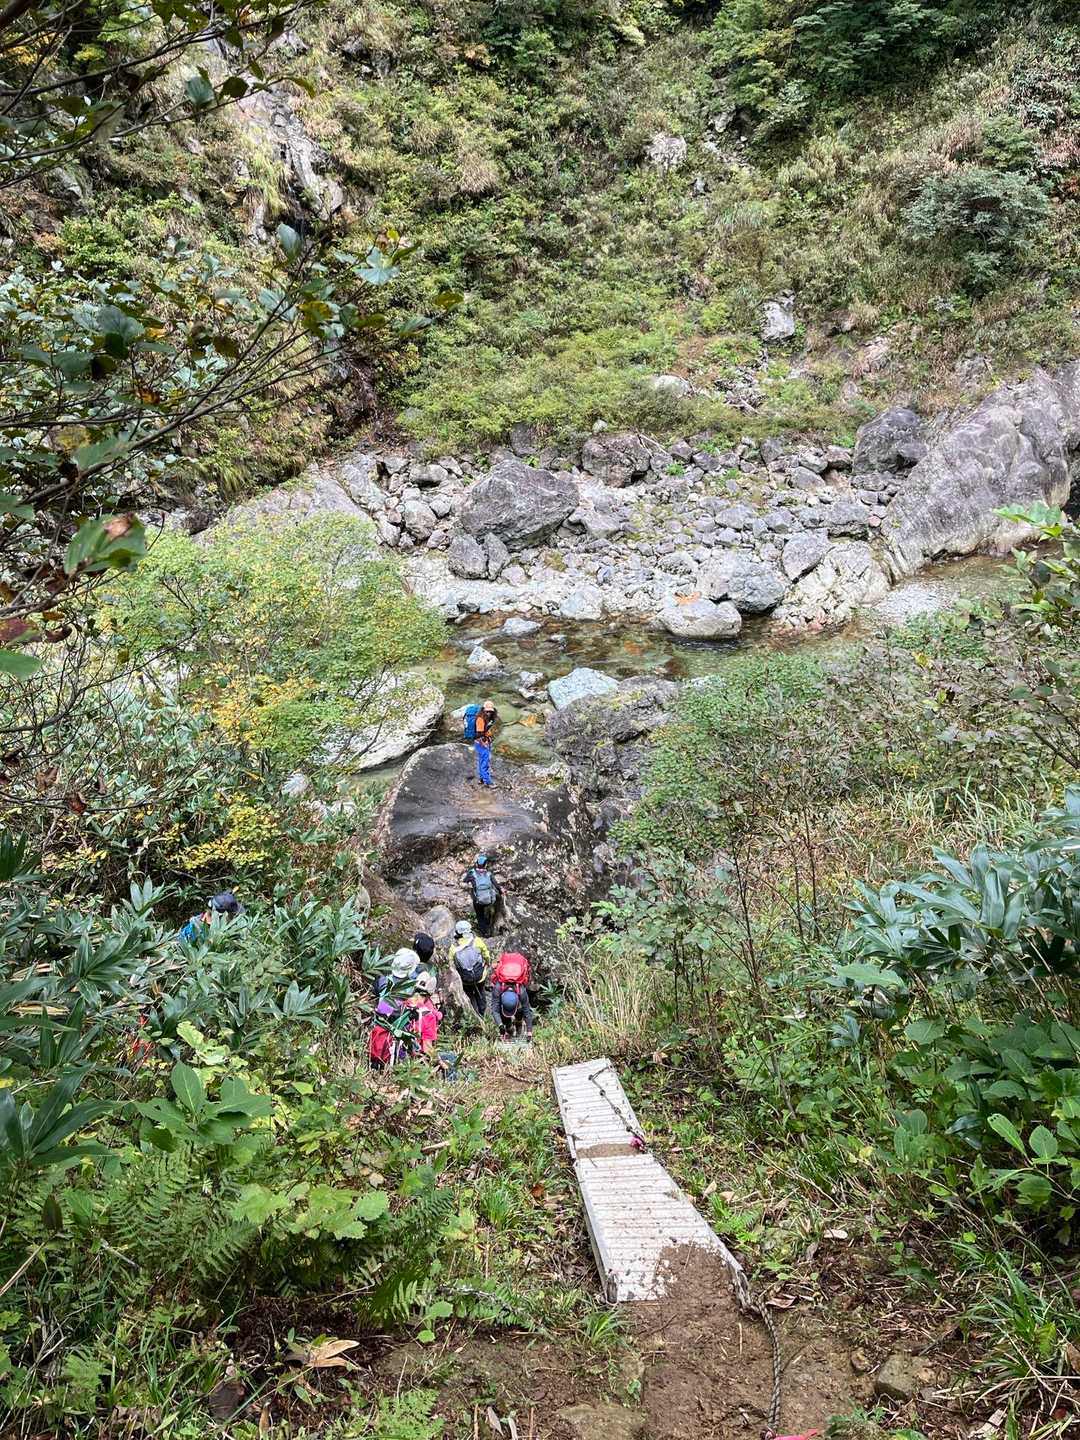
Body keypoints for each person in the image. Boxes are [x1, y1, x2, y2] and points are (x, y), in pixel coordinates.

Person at [449, 920, 490, 1018]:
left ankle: (475, 1014)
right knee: (481, 992)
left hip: (465, 979)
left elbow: (451, 965)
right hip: (480, 976)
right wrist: (487, 964)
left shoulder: (453, 948)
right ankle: (482, 1012)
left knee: (470, 994)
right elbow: (486, 955)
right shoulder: (477, 941)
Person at [489, 950, 534, 1040]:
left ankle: (518, 1024)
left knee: (520, 1010)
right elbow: (495, 1010)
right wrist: (501, 1026)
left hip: (517, 996)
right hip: (505, 998)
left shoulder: (521, 991)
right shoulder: (498, 988)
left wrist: (529, 1032)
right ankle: (508, 1027)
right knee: (501, 1011)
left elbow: (526, 1011)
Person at [461, 854, 501, 938]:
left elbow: (464, 882)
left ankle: (484, 933)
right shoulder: (489, 874)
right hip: (489, 900)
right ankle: (489, 924)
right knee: (488, 910)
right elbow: (496, 885)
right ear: (485, 865)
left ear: (477, 864)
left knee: (480, 916)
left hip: (477, 901)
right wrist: (501, 892)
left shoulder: (471, 873)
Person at [474, 699, 497, 788]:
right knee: (485, 763)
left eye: (490, 711)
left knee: (482, 761)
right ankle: (488, 782)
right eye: (487, 711)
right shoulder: (480, 719)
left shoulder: (487, 718)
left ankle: (482, 778)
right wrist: (483, 743)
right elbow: (479, 734)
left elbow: (485, 730)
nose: (488, 713)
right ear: (483, 710)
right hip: (482, 743)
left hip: (485, 741)